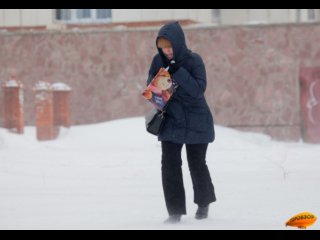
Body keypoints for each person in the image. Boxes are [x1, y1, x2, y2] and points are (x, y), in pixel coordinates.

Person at [146, 21, 216, 224]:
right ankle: (175, 211)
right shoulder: (157, 61)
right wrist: (162, 80)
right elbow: (153, 94)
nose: (166, 51)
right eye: (162, 47)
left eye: (169, 46)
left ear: (178, 43)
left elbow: (197, 91)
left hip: (197, 120)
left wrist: (178, 72)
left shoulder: (195, 60)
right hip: (171, 121)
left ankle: (203, 203)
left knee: (197, 164)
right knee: (169, 165)